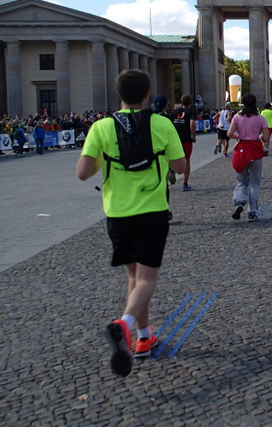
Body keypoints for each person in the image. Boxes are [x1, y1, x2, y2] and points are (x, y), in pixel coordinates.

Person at [76, 69, 186, 377]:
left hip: (118, 213)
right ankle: (123, 325)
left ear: (119, 95)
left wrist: (103, 157)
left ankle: (143, 337)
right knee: (147, 280)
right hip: (151, 211)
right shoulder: (161, 123)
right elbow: (179, 165)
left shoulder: (102, 127)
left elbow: (83, 172)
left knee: (134, 279)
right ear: (147, 93)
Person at [228, 94, 270, 222]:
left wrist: (239, 137)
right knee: (254, 182)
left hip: (242, 148)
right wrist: (260, 137)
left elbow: (229, 134)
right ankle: (252, 211)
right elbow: (266, 138)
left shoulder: (237, 117)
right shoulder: (260, 118)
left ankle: (240, 202)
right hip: (255, 149)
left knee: (241, 181)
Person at [170, 94, 196, 191]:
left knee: (173, 157)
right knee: (187, 160)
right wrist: (193, 135)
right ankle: (185, 183)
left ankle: (172, 170)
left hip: (175, 139)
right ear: (190, 103)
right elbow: (192, 123)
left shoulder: (174, 112)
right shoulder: (191, 112)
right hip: (186, 140)